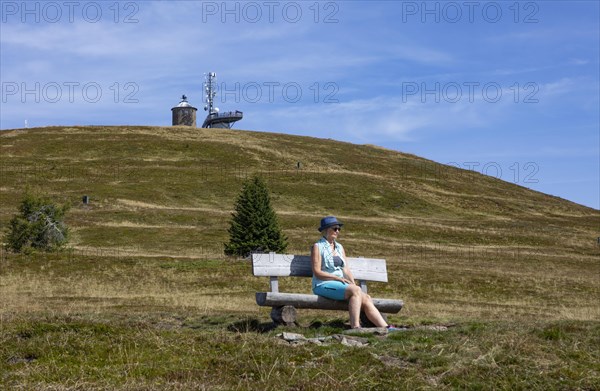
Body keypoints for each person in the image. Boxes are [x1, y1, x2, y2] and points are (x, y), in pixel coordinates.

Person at [311, 216, 397, 330]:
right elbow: (317, 272)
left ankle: (386, 328)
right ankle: (355, 327)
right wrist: (337, 279)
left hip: (340, 284)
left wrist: (353, 284)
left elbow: (346, 270)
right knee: (356, 291)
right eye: (335, 228)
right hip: (322, 285)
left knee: (365, 297)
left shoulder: (339, 247)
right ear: (326, 229)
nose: (337, 231)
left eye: (339, 229)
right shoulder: (317, 247)